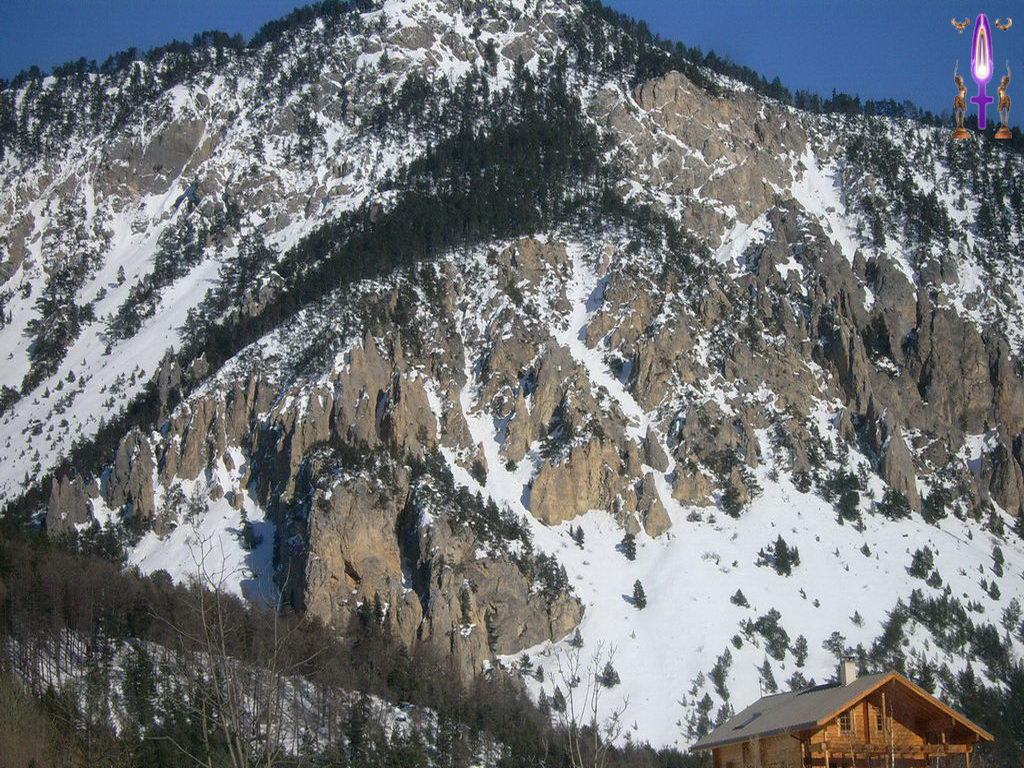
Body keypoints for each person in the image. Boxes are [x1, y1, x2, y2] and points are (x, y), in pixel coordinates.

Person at [954, 61, 967, 133]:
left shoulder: (963, 87)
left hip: (961, 99)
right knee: (958, 112)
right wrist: (956, 68)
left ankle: (960, 125)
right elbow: (955, 76)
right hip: (959, 98)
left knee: (962, 112)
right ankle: (959, 125)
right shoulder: (960, 86)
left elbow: (964, 97)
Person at [998, 62, 1011, 131]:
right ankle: (1003, 123)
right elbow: (999, 97)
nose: (1002, 79)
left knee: (1006, 111)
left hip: (1005, 98)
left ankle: (1005, 123)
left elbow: (1009, 76)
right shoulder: (999, 88)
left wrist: (1007, 68)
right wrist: (999, 103)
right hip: (1001, 100)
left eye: (1003, 78)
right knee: (1000, 111)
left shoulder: (1004, 85)